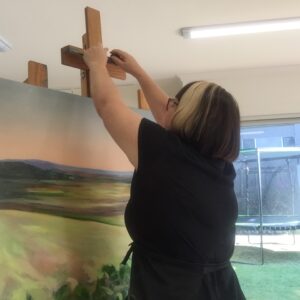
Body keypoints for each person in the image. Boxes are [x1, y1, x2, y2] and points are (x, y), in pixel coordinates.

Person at [83, 43, 246, 300]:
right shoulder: (218, 167)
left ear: (188, 116)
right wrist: (139, 73)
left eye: (176, 102)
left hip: (174, 290)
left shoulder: (164, 153)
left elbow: (107, 105)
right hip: (220, 289)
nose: (168, 104)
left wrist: (95, 63)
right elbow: (167, 115)